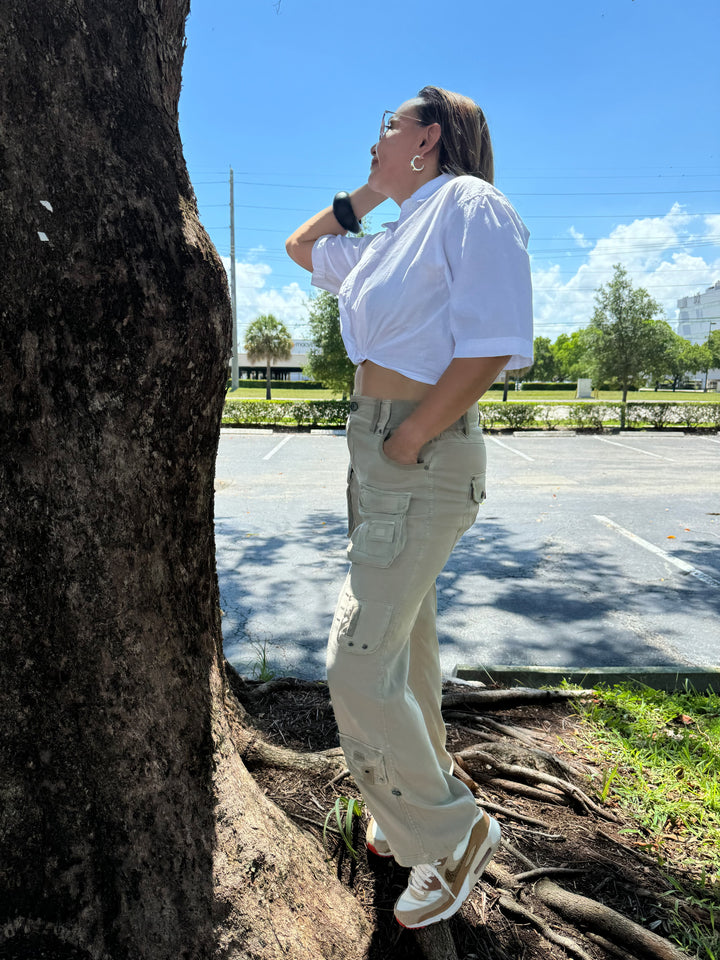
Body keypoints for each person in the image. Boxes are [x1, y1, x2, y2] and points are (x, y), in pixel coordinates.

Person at [286, 85, 533, 929]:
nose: (373, 139)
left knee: (354, 661)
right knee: (405, 651)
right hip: (381, 446)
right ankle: (407, 814)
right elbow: (299, 245)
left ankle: (452, 834)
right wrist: (369, 191)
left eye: (386, 127)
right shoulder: (395, 236)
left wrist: (412, 435)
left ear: (428, 137)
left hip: (415, 448)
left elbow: (496, 339)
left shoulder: (470, 205)